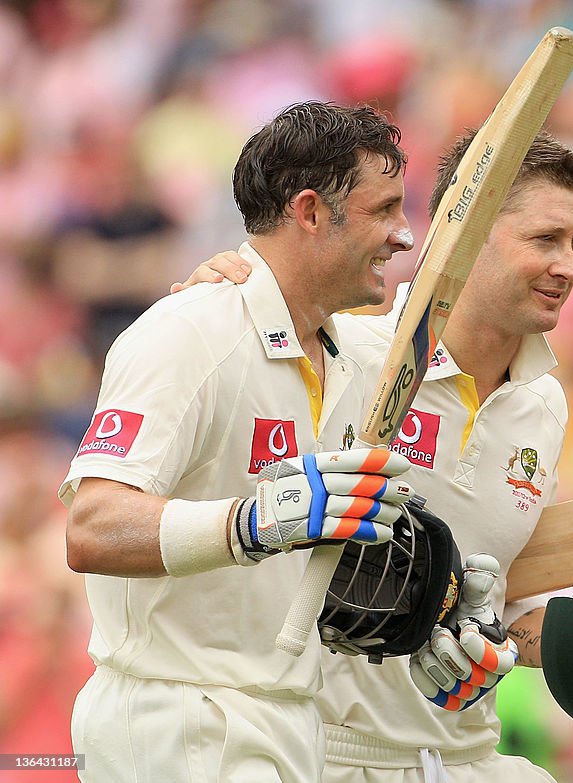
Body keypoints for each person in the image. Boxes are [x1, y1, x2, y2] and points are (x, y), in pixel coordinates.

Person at [183, 129, 573, 782]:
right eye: (545, 239)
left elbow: (497, 583)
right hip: (319, 755)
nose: (570, 265)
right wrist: (209, 303)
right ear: (466, 233)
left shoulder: (545, 405)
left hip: (465, 756)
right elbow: (220, 509)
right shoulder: (345, 353)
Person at [60, 101, 423, 783]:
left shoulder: (355, 355)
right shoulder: (190, 332)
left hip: (286, 718)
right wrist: (252, 521)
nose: (403, 234)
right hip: (180, 717)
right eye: (385, 209)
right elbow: (92, 525)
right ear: (310, 212)